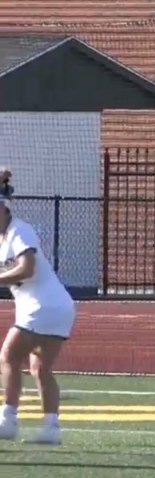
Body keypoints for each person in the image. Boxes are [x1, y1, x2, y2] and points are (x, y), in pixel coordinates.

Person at [0, 168, 75, 444]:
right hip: (58, 307)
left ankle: (7, 420)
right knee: (40, 368)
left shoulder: (19, 230)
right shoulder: (3, 239)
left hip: (42, 305)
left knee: (8, 357)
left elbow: (27, 269)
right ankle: (51, 429)